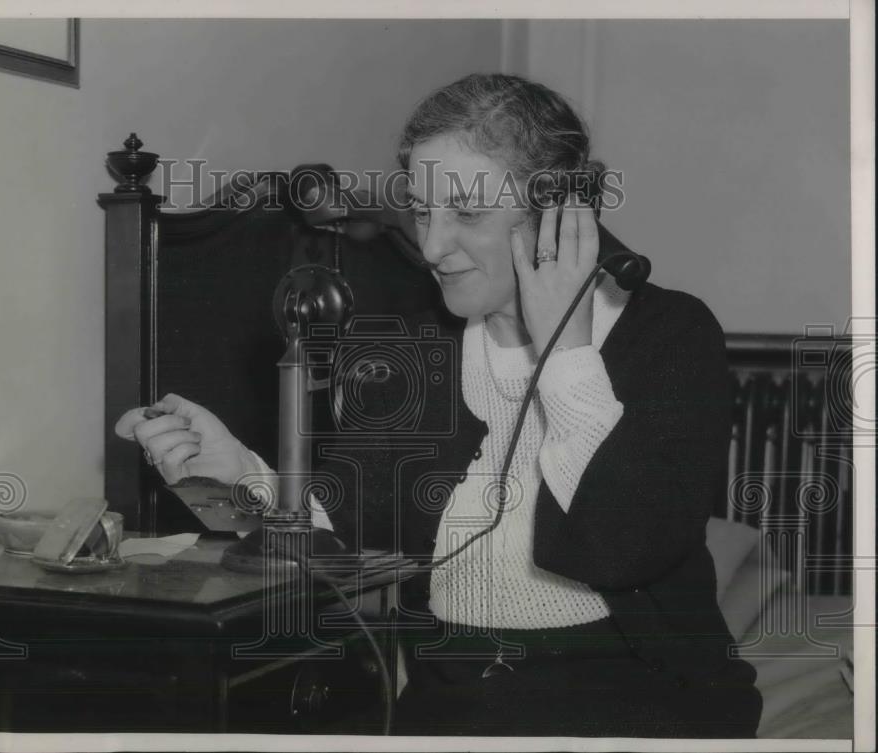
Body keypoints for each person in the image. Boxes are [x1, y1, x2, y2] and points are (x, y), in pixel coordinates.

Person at [115, 73, 763, 738]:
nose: (430, 247)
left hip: (631, 709)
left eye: (467, 214)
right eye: (422, 211)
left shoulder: (673, 335)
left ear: (559, 208)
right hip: (452, 709)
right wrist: (238, 473)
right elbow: (340, 526)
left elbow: (617, 547)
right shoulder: (416, 339)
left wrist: (566, 352)